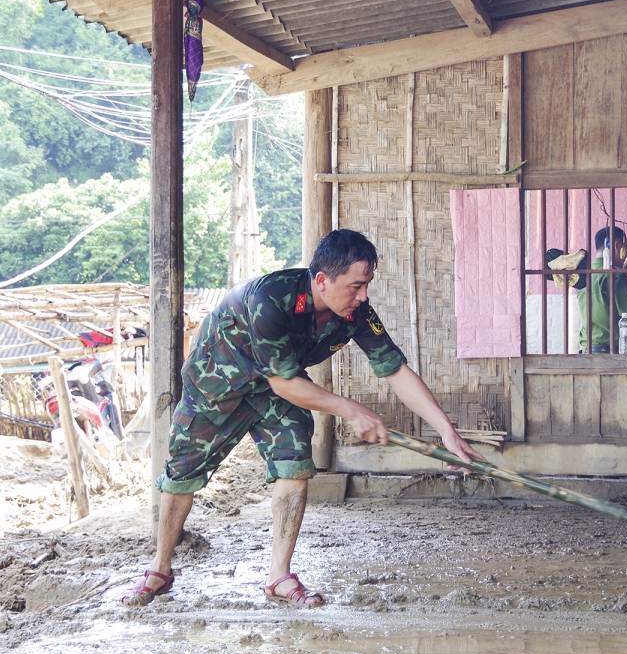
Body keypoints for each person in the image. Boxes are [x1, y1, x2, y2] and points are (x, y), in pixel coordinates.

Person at [125, 229, 483, 607]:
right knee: (182, 475)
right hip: (218, 381)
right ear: (323, 280)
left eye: (367, 286)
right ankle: (160, 568)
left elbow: (394, 369)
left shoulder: (355, 311)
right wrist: (351, 408)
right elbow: (286, 384)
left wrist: (446, 432)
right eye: (356, 286)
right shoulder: (270, 298)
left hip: (276, 386)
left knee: (294, 460)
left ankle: (279, 575)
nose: (363, 296)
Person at [578, 226, 627, 354]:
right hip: (608, 357)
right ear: (617, 246)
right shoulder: (616, 279)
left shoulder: (585, 276)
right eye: (626, 247)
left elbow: (608, 292)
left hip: (587, 353)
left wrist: (623, 270)